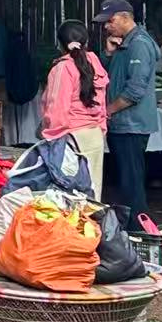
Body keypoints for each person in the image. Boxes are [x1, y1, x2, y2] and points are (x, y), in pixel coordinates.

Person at [96, 0, 159, 223]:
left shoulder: (139, 44)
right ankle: (131, 228)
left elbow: (135, 90)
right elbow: (108, 76)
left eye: (110, 20)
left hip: (131, 124)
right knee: (126, 180)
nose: (106, 26)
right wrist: (110, 54)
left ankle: (138, 231)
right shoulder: (124, 43)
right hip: (123, 123)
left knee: (131, 182)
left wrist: (108, 110)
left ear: (125, 17)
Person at [41, 19, 109, 198]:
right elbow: (101, 101)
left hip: (71, 138)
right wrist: (101, 128)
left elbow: (57, 108)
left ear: (59, 44)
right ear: (86, 42)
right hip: (93, 135)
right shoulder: (94, 62)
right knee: (93, 194)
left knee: (69, 196)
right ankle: (92, 226)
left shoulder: (63, 68)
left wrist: (51, 139)